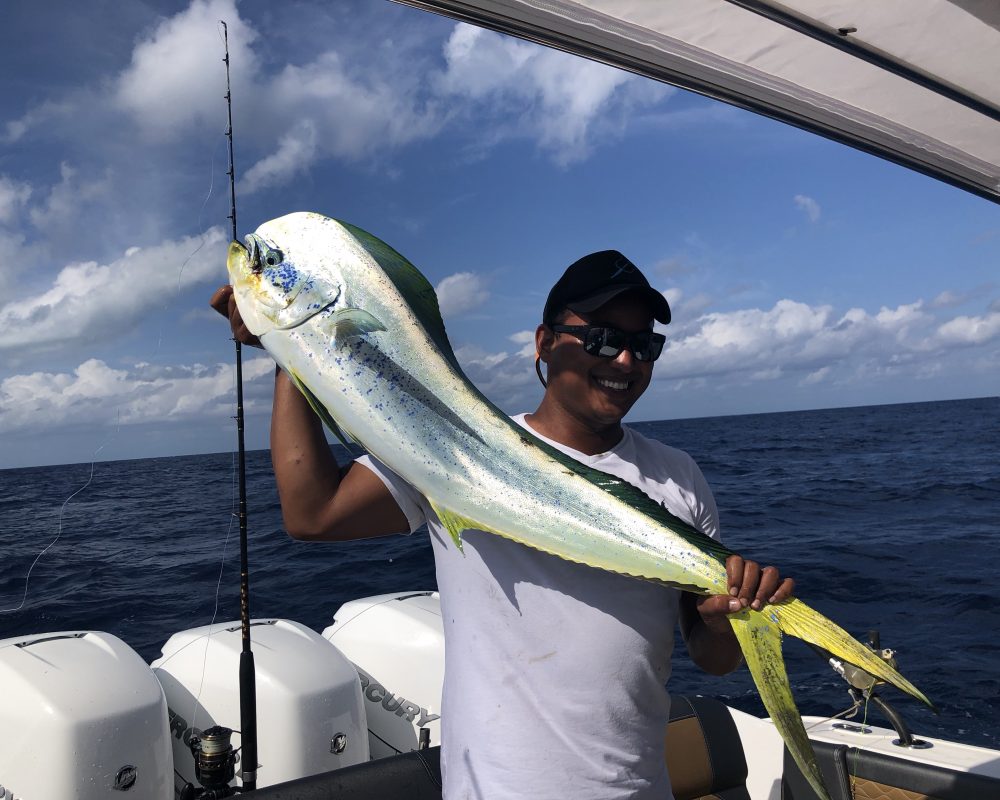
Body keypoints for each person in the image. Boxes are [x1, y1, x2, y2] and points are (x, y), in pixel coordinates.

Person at [211, 248, 794, 800]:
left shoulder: (678, 476)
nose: (625, 361)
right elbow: (312, 514)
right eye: (602, 338)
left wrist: (725, 626)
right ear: (544, 343)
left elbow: (711, 655)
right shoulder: (453, 447)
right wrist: (291, 349)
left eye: (644, 346)